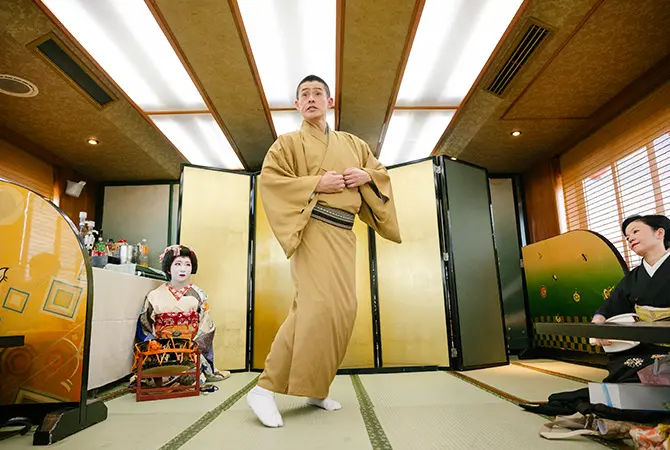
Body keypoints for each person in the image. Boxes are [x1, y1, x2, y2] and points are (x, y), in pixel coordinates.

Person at [246, 75, 401, 428]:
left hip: (344, 234)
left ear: (330, 102)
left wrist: (365, 177)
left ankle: (316, 387)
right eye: (305, 94)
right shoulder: (287, 144)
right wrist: (318, 182)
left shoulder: (353, 143)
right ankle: (264, 388)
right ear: (297, 104)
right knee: (314, 308)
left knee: (343, 310)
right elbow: (271, 182)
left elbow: (379, 173)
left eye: (318, 93)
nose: (311, 98)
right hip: (313, 228)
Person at [521, 214, 670, 419]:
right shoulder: (635, 276)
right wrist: (599, 321)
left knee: (647, 386)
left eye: (636, 231)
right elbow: (612, 304)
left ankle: (590, 402)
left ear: (660, 233)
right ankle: (599, 402)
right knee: (630, 372)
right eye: (627, 237)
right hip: (646, 348)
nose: (631, 239)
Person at [135, 244, 230, 384]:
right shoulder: (154, 295)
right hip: (162, 352)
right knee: (158, 376)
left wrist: (191, 348)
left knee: (190, 375)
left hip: (190, 351)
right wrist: (159, 347)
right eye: (178, 264)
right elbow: (145, 326)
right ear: (168, 268)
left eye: (187, 265)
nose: (183, 269)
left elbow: (206, 326)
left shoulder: (199, 295)